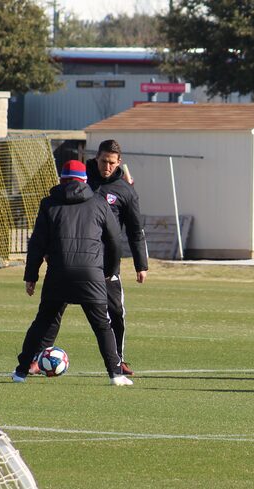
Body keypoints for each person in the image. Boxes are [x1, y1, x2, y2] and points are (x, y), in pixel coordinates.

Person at [13, 160, 132, 386]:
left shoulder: (48, 204)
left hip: (58, 273)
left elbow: (37, 243)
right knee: (102, 325)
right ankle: (116, 374)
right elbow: (115, 240)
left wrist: (31, 276)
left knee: (43, 322)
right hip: (91, 274)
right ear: (85, 180)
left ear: (62, 179)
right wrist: (110, 270)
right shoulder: (99, 202)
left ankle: (21, 372)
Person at [83, 140, 149, 376]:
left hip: (108, 262)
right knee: (53, 307)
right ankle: (38, 357)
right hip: (78, 258)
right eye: (103, 161)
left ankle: (118, 359)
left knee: (116, 311)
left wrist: (141, 264)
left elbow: (134, 230)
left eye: (112, 163)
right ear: (96, 158)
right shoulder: (82, 181)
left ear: (118, 162)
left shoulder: (125, 191)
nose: (107, 167)